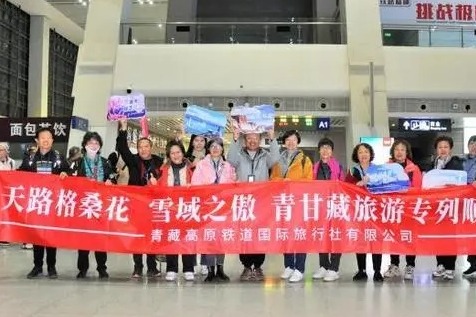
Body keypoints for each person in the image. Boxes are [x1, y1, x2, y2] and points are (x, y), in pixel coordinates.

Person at [227, 125, 280, 281]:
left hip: (261, 202)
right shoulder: (239, 154)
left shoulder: (265, 156)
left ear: (260, 140)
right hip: (243, 201)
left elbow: (275, 158)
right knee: (244, 234)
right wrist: (235, 139)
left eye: (255, 138)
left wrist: (272, 138)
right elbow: (230, 159)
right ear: (245, 140)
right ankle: (245, 265)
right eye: (249, 138)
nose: (252, 141)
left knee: (259, 234)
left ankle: (257, 266)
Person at [19, 127, 69, 279]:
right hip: (36, 203)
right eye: (42, 137)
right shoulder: (30, 158)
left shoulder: (59, 158)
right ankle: (37, 266)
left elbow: (69, 174)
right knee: (37, 236)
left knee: (51, 236)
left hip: (52, 204)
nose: (46, 140)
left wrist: (65, 174)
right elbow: (21, 174)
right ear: (37, 140)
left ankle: (52, 266)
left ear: (53, 140)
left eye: (49, 137)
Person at [116, 119, 163, 278]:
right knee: (137, 235)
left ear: (151, 147)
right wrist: (123, 128)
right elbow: (122, 148)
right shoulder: (134, 160)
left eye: (146, 146)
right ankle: (137, 266)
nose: (143, 149)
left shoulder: (159, 162)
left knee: (151, 235)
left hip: (153, 205)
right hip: (136, 204)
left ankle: (152, 266)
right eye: (140, 147)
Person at [270, 130, 313, 283]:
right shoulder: (277, 159)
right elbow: (273, 178)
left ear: (298, 141)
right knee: (285, 234)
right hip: (283, 202)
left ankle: (299, 268)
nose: (291, 142)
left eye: (293, 139)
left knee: (299, 234)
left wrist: (293, 184)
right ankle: (288, 265)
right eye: (288, 140)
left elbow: (309, 181)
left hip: (299, 203)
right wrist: (282, 182)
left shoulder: (305, 160)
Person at [191, 138, 235, 282]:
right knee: (209, 237)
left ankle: (220, 268)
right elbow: (195, 185)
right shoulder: (201, 165)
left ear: (222, 149)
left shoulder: (228, 166)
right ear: (208, 149)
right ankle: (210, 270)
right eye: (213, 146)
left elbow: (232, 184)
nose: (215, 149)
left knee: (221, 238)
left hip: (223, 207)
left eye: (218, 146)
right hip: (208, 206)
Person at [75, 132, 116, 279]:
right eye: (91, 142)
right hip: (84, 205)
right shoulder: (78, 162)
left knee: (100, 238)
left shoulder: (105, 162)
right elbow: (71, 180)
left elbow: (112, 177)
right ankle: (82, 268)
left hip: (101, 205)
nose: (93, 145)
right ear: (85, 145)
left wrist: (110, 182)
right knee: (84, 238)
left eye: (96, 143)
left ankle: (101, 267)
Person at [384, 139, 422, 280]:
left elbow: (418, 188)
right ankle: (394, 265)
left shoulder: (414, 169)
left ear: (407, 152)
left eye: (402, 150)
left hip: (408, 209)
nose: (399, 152)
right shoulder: (386, 167)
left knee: (409, 237)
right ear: (393, 152)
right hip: (392, 208)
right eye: (397, 149)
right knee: (393, 236)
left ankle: (410, 266)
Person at [345, 143, 383, 282]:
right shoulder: (352, 170)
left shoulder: (378, 170)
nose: (363, 154)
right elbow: (347, 189)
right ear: (357, 155)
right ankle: (362, 270)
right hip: (359, 210)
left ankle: (378, 271)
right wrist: (359, 184)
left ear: (370, 154)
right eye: (360, 152)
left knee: (376, 239)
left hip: (375, 209)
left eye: (366, 151)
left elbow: (384, 186)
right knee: (361, 239)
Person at [159, 140, 196, 282]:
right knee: (172, 237)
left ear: (183, 152)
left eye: (178, 152)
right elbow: (157, 187)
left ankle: (188, 268)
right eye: (172, 153)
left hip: (187, 208)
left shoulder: (192, 168)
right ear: (169, 155)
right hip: (170, 209)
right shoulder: (163, 169)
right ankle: (171, 268)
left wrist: (192, 186)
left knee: (187, 238)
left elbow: (200, 185)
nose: (176, 155)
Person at [430, 136, 464, 280]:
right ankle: (440, 265)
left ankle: (450, 267)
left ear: (450, 149)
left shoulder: (456, 163)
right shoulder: (434, 163)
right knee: (438, 236)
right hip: (437, 206)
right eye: (440, 147)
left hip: (451, 205)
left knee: (451, 236)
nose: (442, 149)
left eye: (445, 147)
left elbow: (460, 181)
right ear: (436, 149)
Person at [312, 137, 345, 282]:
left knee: (335, 235)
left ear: (332, 151)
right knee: (322, 235)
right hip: (320, 206)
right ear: (319, 150)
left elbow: (344, 186)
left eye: (328, 148)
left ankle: (334, 268)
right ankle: (324, 266)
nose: (325, 150)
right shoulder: (315, 167)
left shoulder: (338, 167)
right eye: (323, 148)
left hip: (335, 206)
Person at [185, 134, 209, 276]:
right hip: (190, 200)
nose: (199, 143)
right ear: (192, 142)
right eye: (196, 140)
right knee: (192, 232)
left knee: (206, 231)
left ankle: (205, 262)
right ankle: (192, 263)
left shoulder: (211, 156)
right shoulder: (186, 158)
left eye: (202, 141)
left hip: (207, 200)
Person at [463, 135, 476, 278]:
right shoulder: (462, 161)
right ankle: (472, 263)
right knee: (469, 234)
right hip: (466, 203)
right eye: (472, 143)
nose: (474, 146)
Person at [0, 142, 16, 246]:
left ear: (6, 151)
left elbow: (14, 175)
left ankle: (5, 235)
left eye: (2, 150)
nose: (0, 152)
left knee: (6, 214)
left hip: (8, 192)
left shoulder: (12, 162)